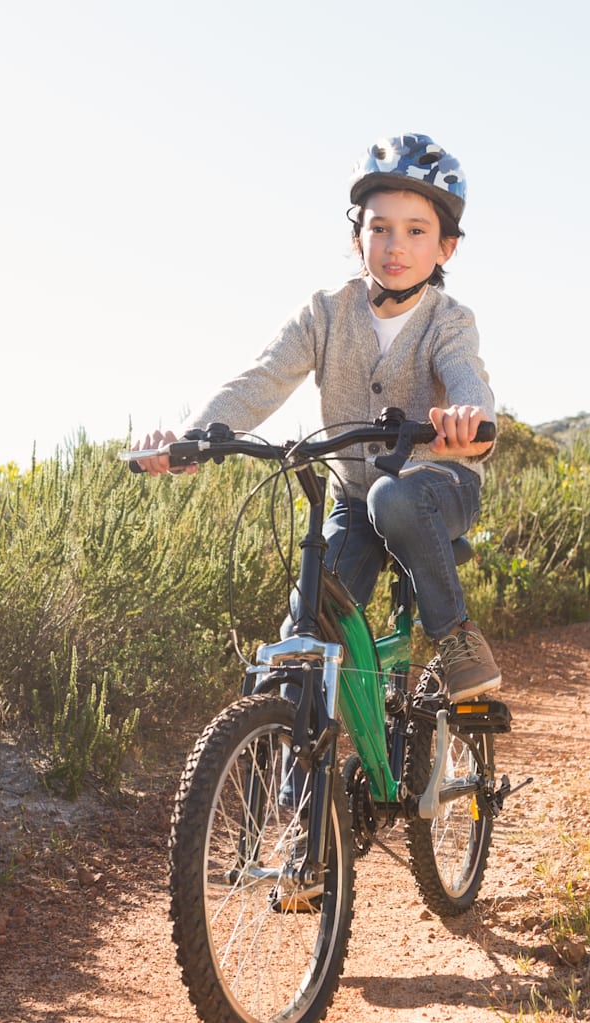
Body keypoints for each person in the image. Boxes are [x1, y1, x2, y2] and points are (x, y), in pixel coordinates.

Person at [133, 132, 501, 702]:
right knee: (305, 632)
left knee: (394, 497)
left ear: (445, 248)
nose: (395, 245)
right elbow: (261, 379)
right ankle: (289, 782)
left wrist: (468, 418)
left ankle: (455, 636)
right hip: (353, 496)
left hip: (437, 486)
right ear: (358, 237)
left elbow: (467, 378)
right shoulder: (324, 313)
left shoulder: (449, 321)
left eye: (416, 231)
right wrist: (189, 439)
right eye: (379, 228)